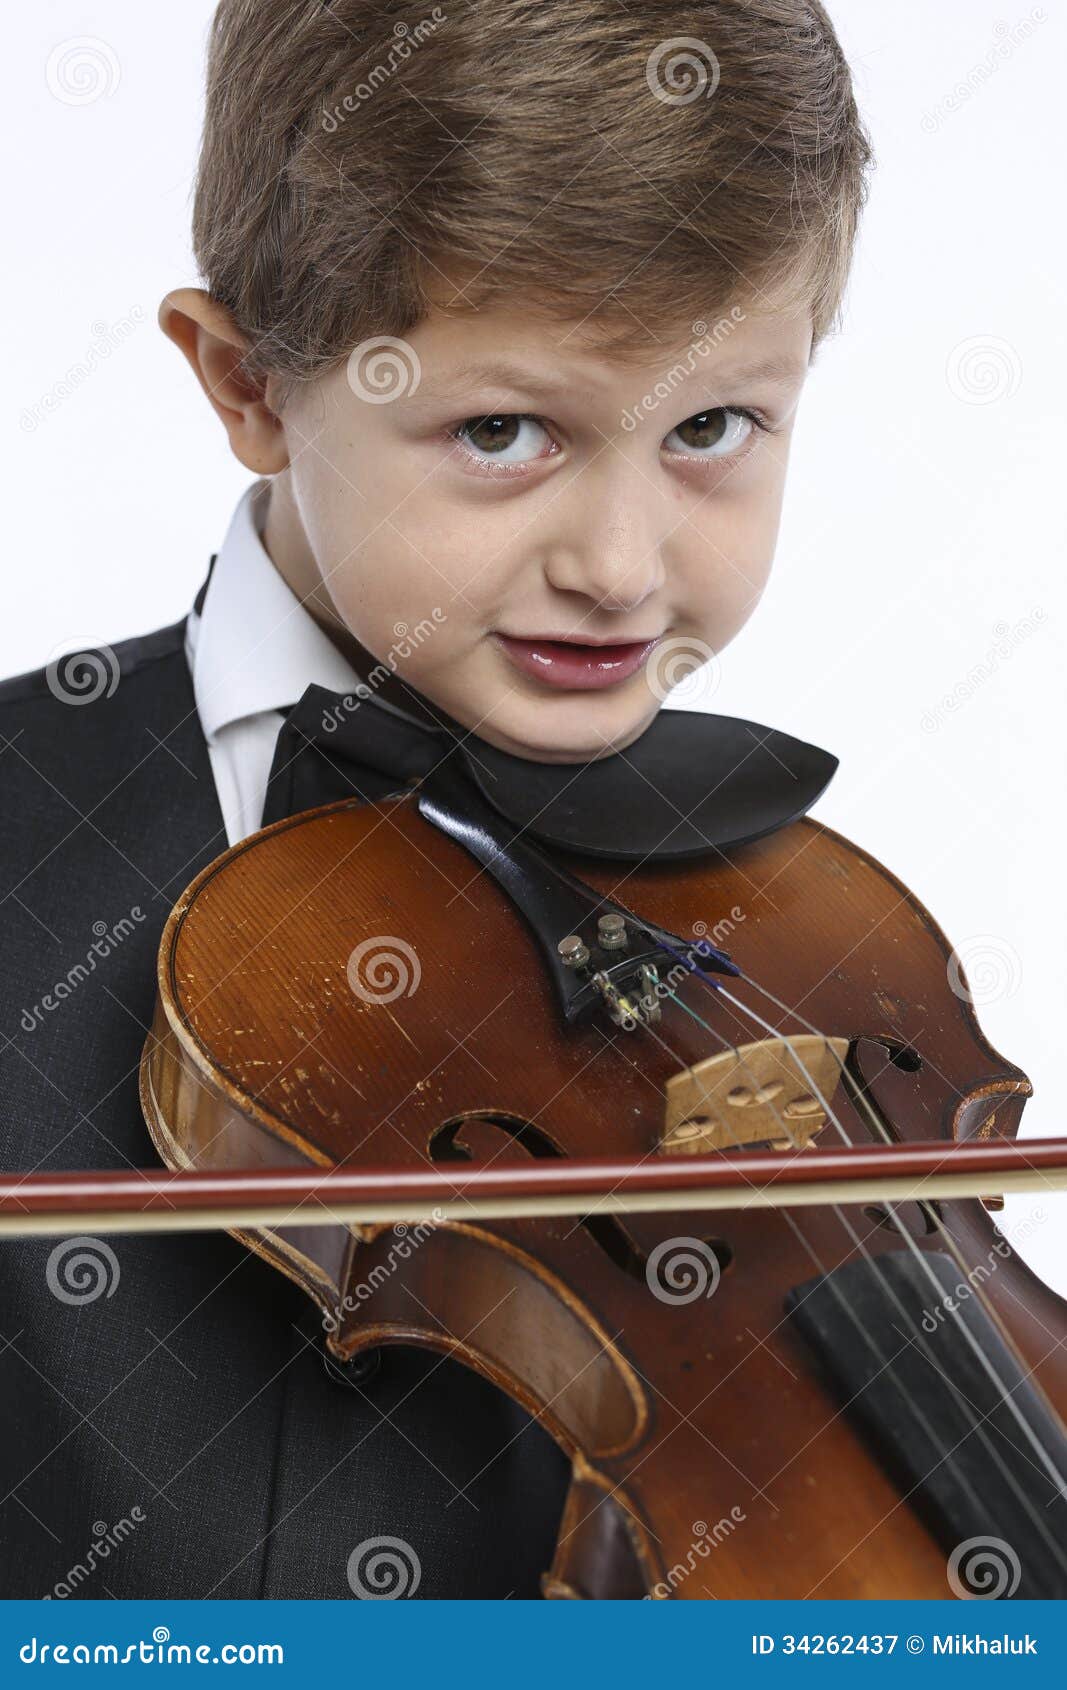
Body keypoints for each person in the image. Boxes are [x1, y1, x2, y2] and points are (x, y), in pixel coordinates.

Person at [0, 0, 871, 1598]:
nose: (617, 568)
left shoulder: (808, 928)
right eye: (501, 428)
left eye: (711, 428)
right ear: (249, 381)